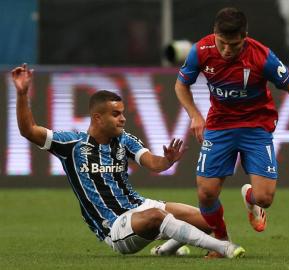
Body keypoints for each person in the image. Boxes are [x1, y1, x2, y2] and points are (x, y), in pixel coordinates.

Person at [11, 63, 245, 258]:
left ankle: (165, 250)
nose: (123, 119)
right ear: (97, 118)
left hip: (139, 207)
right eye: (116, 114)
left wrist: (167, 160)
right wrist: (22, 93)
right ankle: (222, 247)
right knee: (156, 216)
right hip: (114, 226)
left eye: (123, 113)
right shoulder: (72, 144)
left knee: (207, 219)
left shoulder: (125, 140)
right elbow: (29, 130)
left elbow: (153, 164)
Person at [174, 7, 289, 253]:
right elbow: (181, 85)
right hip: (219, 126)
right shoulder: (201, 51)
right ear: (214, 34)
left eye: (233, 45)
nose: (227, 50)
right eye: (222, 43)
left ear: (244, 36)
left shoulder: (262, 56)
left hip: (256, 127)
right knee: (206, 193)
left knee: (265, 198)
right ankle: (221, 241)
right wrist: (195, 115)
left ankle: (250, 200)